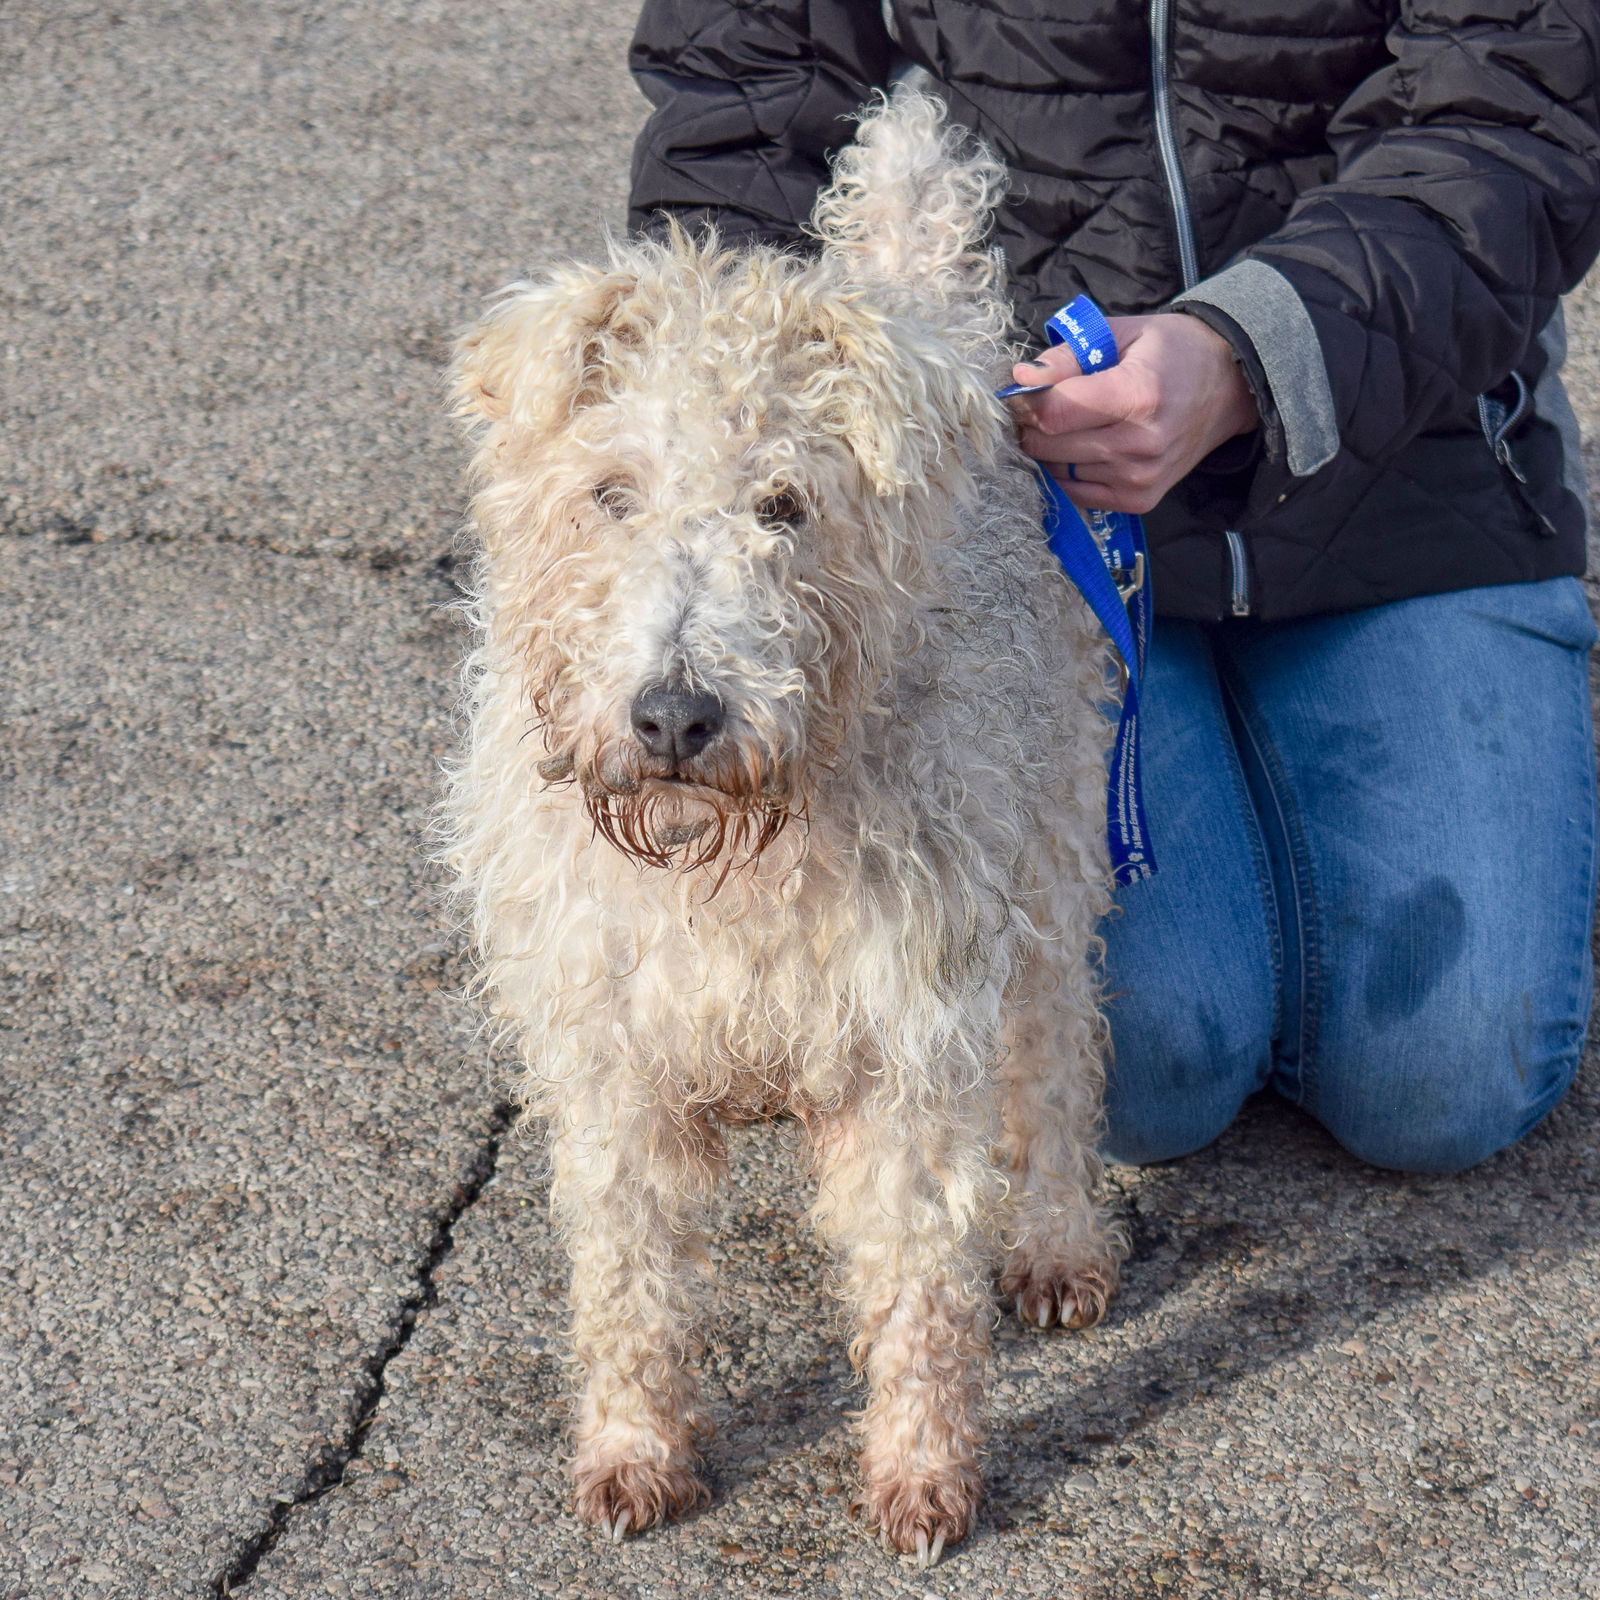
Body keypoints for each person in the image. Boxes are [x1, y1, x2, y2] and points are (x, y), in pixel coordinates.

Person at [625, 0, 1600, 1173]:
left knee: (1444, 1077)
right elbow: (744, 108)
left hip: (1404, 455)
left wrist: (1250, 356)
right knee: (1144, 1072)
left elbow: (1512, 114)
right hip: (1028, 482)